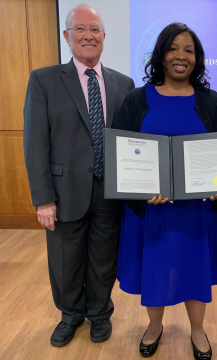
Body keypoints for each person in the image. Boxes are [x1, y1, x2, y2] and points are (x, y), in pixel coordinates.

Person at [112, 22, 217, 359]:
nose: (181, 56)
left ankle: (198, 330)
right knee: (155, 268)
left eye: (189, 50)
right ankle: (154, 326)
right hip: (152, 209)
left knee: (195, 268)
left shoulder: (211, 101)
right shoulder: (137, 99)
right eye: (174, 48)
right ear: (161, 54)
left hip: (196, 212)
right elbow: (121, 153)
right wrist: (139, 191)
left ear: (197, 58)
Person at [23, 4, 134, 347]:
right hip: (63, 190)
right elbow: (35, 142)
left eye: (95, 29)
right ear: (67, 36)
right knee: (65, 260)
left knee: (104, 259)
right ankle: (70, 315)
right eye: (81, 29)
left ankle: (100, 313)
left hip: (110, 192)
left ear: (104, 36)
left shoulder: (123, 83)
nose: (89, 36)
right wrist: (43, 199)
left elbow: (131, 142)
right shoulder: (44, 80)